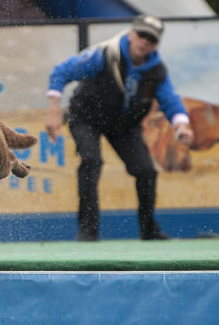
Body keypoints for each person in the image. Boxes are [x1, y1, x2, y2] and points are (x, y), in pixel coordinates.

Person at [45, 14, 193, 241]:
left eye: (151, 39)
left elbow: (170, 100)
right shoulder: (106, 53)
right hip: (86, 117)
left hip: (123, 125)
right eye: (141, 35)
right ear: (131, 34)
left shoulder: (156, 71)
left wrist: (182, 126)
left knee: (146, 171)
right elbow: (61, 72)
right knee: (91, 160)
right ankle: (88, 231)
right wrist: (54, 112)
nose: (144, 42)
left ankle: (148, 230)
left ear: (156, 45)